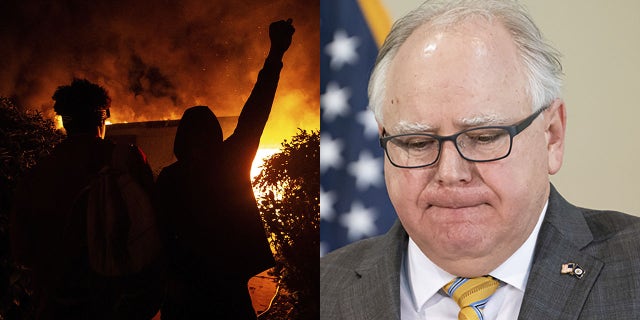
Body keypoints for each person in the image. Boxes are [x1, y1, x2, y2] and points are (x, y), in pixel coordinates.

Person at [320, 1, 640, 319]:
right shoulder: (314, 292)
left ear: (552, 135)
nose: (449, 172)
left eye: (483, 138)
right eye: (417, 142)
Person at [154, 19, 294, 319]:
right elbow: (256, 111)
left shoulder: (169, 177)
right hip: (226, 286)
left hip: (184, 291)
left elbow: (159, 234)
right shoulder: (231, 160)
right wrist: (276, 54)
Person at [10, 78, 163, 319]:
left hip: (57, 304)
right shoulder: (127, 161)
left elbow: (22, 252)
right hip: (118, 302)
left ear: (64, 121)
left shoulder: (36, 176)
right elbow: (154, 224)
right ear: (102, 117)